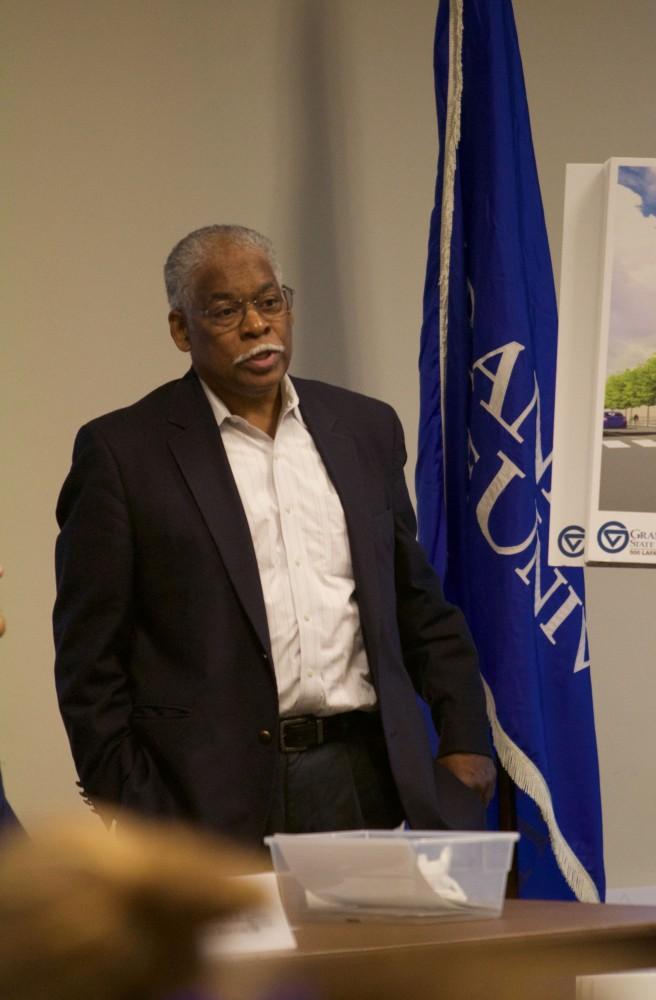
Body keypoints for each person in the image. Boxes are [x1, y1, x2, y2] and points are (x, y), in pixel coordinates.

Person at [54, 225, 495, 844]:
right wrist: (133, 806)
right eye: (225, 310)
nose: (257, 326)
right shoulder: (123, 452)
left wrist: (466, 742)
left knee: (370, 947)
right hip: (201, 801)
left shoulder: (365, 429)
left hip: (364, 778)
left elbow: (416, 601)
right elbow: (88, 661)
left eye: (269, 301)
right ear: (182, 330)